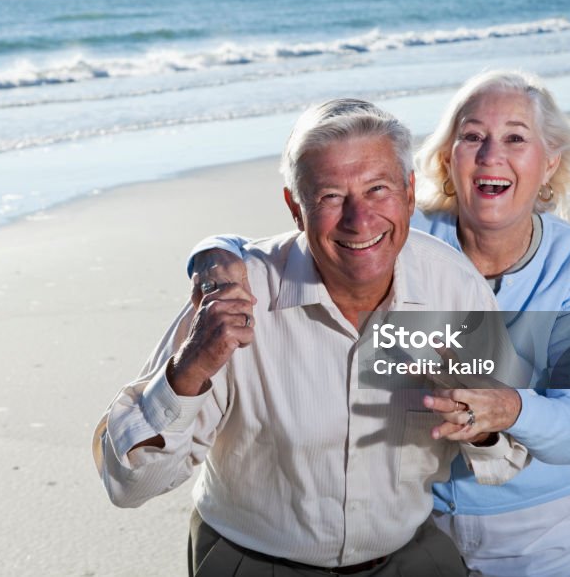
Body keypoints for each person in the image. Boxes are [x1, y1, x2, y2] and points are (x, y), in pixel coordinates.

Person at [188, 71, 570, 576]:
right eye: (472, 136)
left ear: (550, 163)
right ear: (445, 159)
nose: (490, 155)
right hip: (422, 524)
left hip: (536, 530)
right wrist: (209, 253)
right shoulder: (396, 236)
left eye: (515, 138)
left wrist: (508, 408)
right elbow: (301, 232)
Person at [93, 99, 530, 577]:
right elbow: (128, 485)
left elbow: (507, 457)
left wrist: (482, 423)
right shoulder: (237, 294)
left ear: (408, 192)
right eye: (330, 197)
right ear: (295, 209)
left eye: (378, 189)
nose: (359, 220)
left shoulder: (453, 287)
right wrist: (189, 371)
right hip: (253, 562)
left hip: (409, 555)